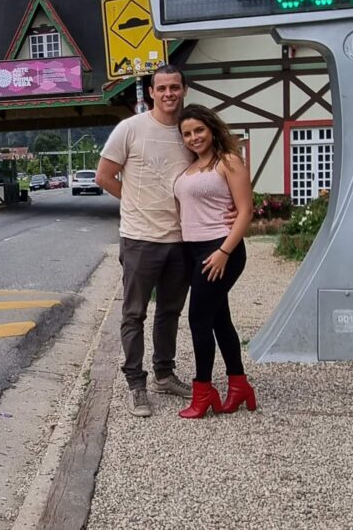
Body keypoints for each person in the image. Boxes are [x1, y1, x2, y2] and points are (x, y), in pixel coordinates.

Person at [96, 65, 195, 418]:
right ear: (151, 92)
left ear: (184, 90)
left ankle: (164, 374)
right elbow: (104, 176)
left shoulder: (189, 132)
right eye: (162, 88)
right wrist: (134, 203)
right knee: (134, 313)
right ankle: (136, 383)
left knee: (169, 312)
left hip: (181, 238)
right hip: (140, 238)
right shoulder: (130, 129)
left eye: (175, 88)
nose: (169, 94)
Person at [173, 104, 256, 419]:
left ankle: (203, 391)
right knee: (219, 320)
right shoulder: (190, 168)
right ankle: (239, 385)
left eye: (199, 130)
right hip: (195, 250)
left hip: (220, 250)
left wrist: (223, 252)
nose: (194, 137)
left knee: (198, 320)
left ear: (211, 129)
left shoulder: (229, 161)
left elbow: (245, 210)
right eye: (187, 133)